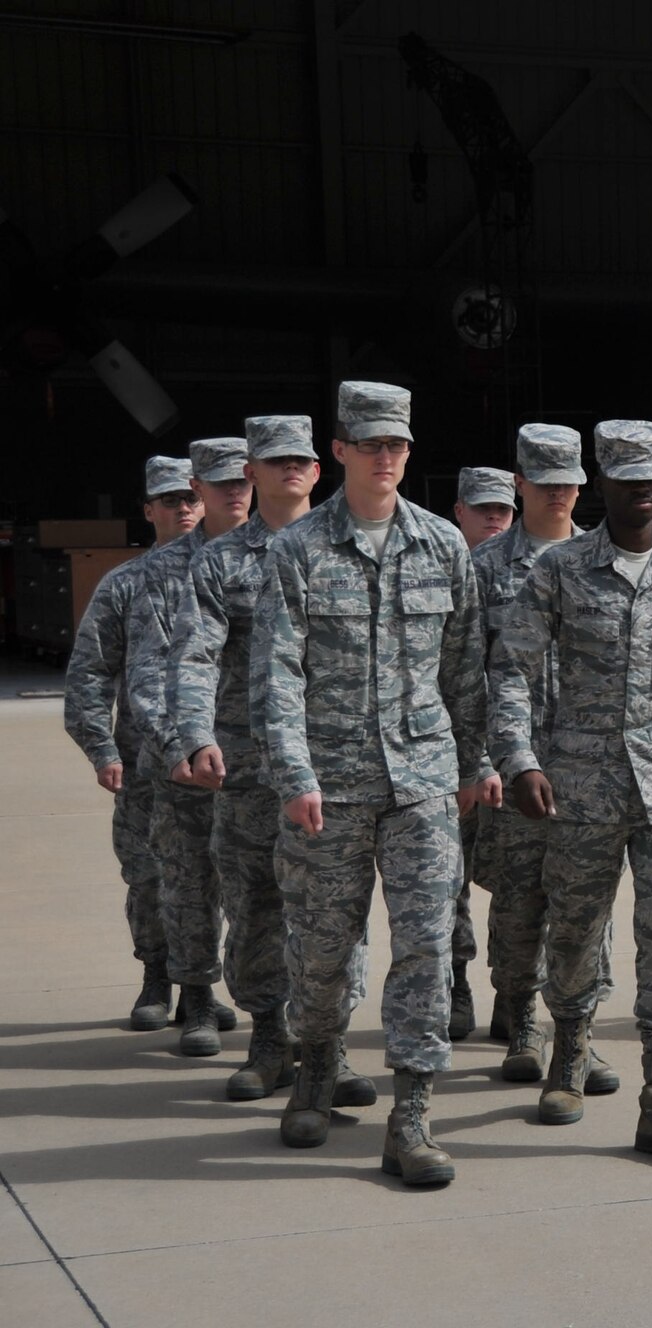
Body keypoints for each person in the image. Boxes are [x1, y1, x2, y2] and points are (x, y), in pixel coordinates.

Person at [253, 380, 500, 1185]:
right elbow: (276, 673)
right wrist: (292, 773)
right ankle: (317, 1062)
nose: (386, 457)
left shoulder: (442, 546)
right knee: (323, 952)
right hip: (330, 783)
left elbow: (466, 672)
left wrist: (476, 765)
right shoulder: (298, 550)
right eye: (371, 444)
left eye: (397, 444)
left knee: (426, 947)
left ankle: (413, 1114)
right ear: (341, 450)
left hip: (423, 780)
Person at [490, 420, 652, 1157]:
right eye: (628, 479)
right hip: (581, 787)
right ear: (602, 485)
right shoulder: (559, 569)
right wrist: (521, 760)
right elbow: (513, 670)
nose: (645, 490)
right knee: (577, 931)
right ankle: (568, 1058)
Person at [167, 415, 376, 1106]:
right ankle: (268, 1036)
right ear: (248, 473)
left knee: (334, 906)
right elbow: (194, 656)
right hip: (252, 765)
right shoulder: (221, 562)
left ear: (320, 470)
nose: (291, 469)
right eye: (275, 460)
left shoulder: (348, 549)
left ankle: (329, 1043)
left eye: (302, 460)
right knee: (256, 898)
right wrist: (195, 735)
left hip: (338, 760)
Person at [470, 423, 616, 1094]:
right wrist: (479, 761)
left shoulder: (604, 557)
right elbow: (466, 671)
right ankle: (521, 1018)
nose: (559, 494)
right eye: (545, 482)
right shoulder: (487, 566)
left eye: (569, 483)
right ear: (520, 483)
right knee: (518, 896)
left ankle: (577, 1031)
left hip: (591, 763)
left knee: (586, 904)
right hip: (514, 757)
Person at [63, 456, 200, 1029]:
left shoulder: (236, 573)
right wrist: (101, 747)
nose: (184, 509)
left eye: (191, 498)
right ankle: (156, 973)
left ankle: (202, 988)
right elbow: (90, 670)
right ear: (148, 511)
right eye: (171, 501)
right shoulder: (124, 584)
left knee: (216, 877)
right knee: (148, 874)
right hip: (144, 760)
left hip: (222, 757)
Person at [127, 438, 253, 1056]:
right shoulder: (160, 571)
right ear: (198, 489)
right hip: (187, 765)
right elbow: (149, 672)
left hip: (262, 758)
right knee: (189, 881)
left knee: (267, 888)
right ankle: (198, 998)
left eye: (242, 481)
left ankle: (276, 1009)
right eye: (220, 482)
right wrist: (179, 744)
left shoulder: (281, 552)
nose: (235, 492)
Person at [443, 464, 519, 1040]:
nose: (495, 519)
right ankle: (455, 985)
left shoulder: (541, 569)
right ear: (459, 512)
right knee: (451, 881)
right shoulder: (444, 574)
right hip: (453, 754)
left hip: (521, 757)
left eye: (504, 509)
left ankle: (514, 997)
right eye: (483, 509)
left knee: (518, 881)